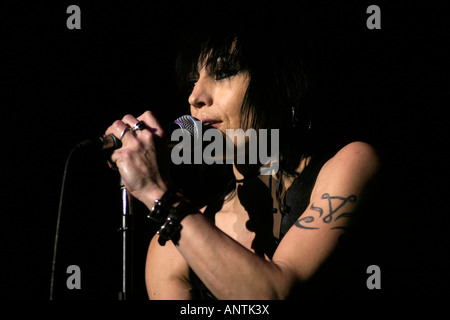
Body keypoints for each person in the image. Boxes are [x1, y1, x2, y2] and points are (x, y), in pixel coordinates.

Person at [104, 12, 379, 300]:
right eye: (192, 82)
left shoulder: (351, 164)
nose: (195, 96)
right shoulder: (172, 248)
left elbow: (272, 296)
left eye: (223, 72)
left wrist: (158, 193)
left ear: (281, 85)